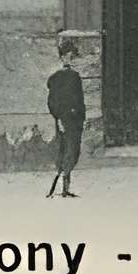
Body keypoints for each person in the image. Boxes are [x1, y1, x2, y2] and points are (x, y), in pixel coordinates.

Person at [45, 38, 86, 199]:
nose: (70, 59)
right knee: (68, 151)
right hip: (66, 119)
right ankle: (62, 186)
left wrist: (81, 116)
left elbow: (79, 99)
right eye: (67, 56)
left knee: (73, 150)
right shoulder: (57, 78)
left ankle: (65, 186)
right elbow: (53, 102)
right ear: (62, 57)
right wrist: (59, 118)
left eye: (72, 56)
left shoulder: (75, 76)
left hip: (76, 120)